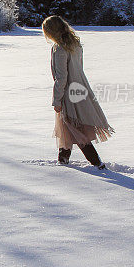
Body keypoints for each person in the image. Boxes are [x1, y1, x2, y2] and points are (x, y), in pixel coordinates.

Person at [42, 14, 114, 168]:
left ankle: (97, 163)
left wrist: (57, 101)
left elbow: (61, 78)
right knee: (66, 126)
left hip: (69, 93)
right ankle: (63, 159)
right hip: (80, 88)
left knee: (74, 127)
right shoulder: (74, 44)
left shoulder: (59, 49)